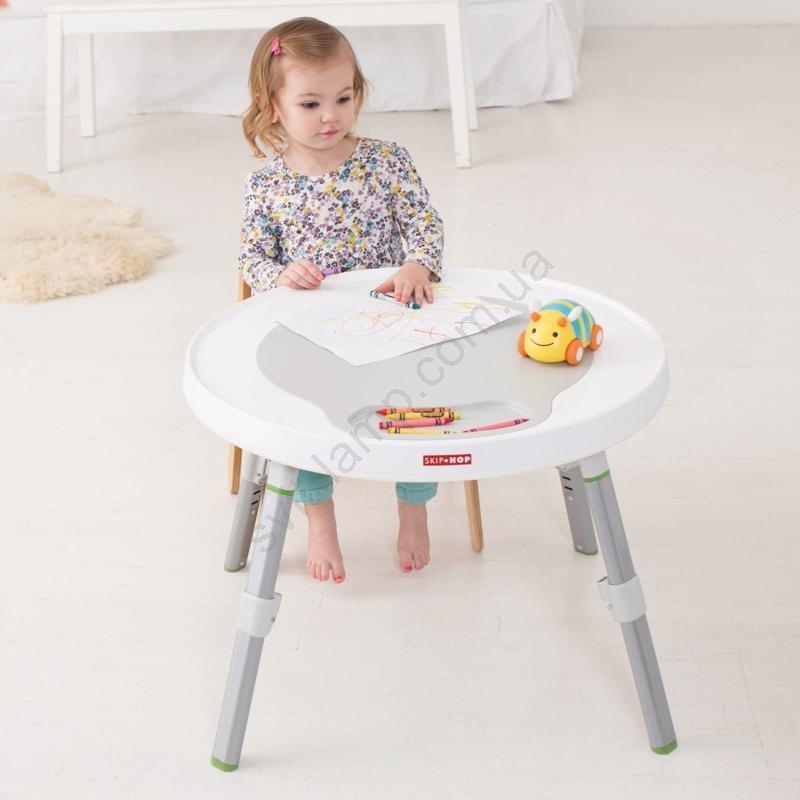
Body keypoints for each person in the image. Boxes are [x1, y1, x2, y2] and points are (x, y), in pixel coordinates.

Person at [239, 17, 444, 584]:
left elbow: (424, 223)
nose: (331, 115)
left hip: (388, 322)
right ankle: (320, 517)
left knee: (419, 403)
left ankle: (414, 511)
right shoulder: (266, 185)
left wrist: (417, 263)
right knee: (299, 412)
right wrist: (281, 274)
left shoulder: (386, 161)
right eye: (310, 103)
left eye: (344, 98)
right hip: (313, 332)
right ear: (273, 107)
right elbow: (252, 259)